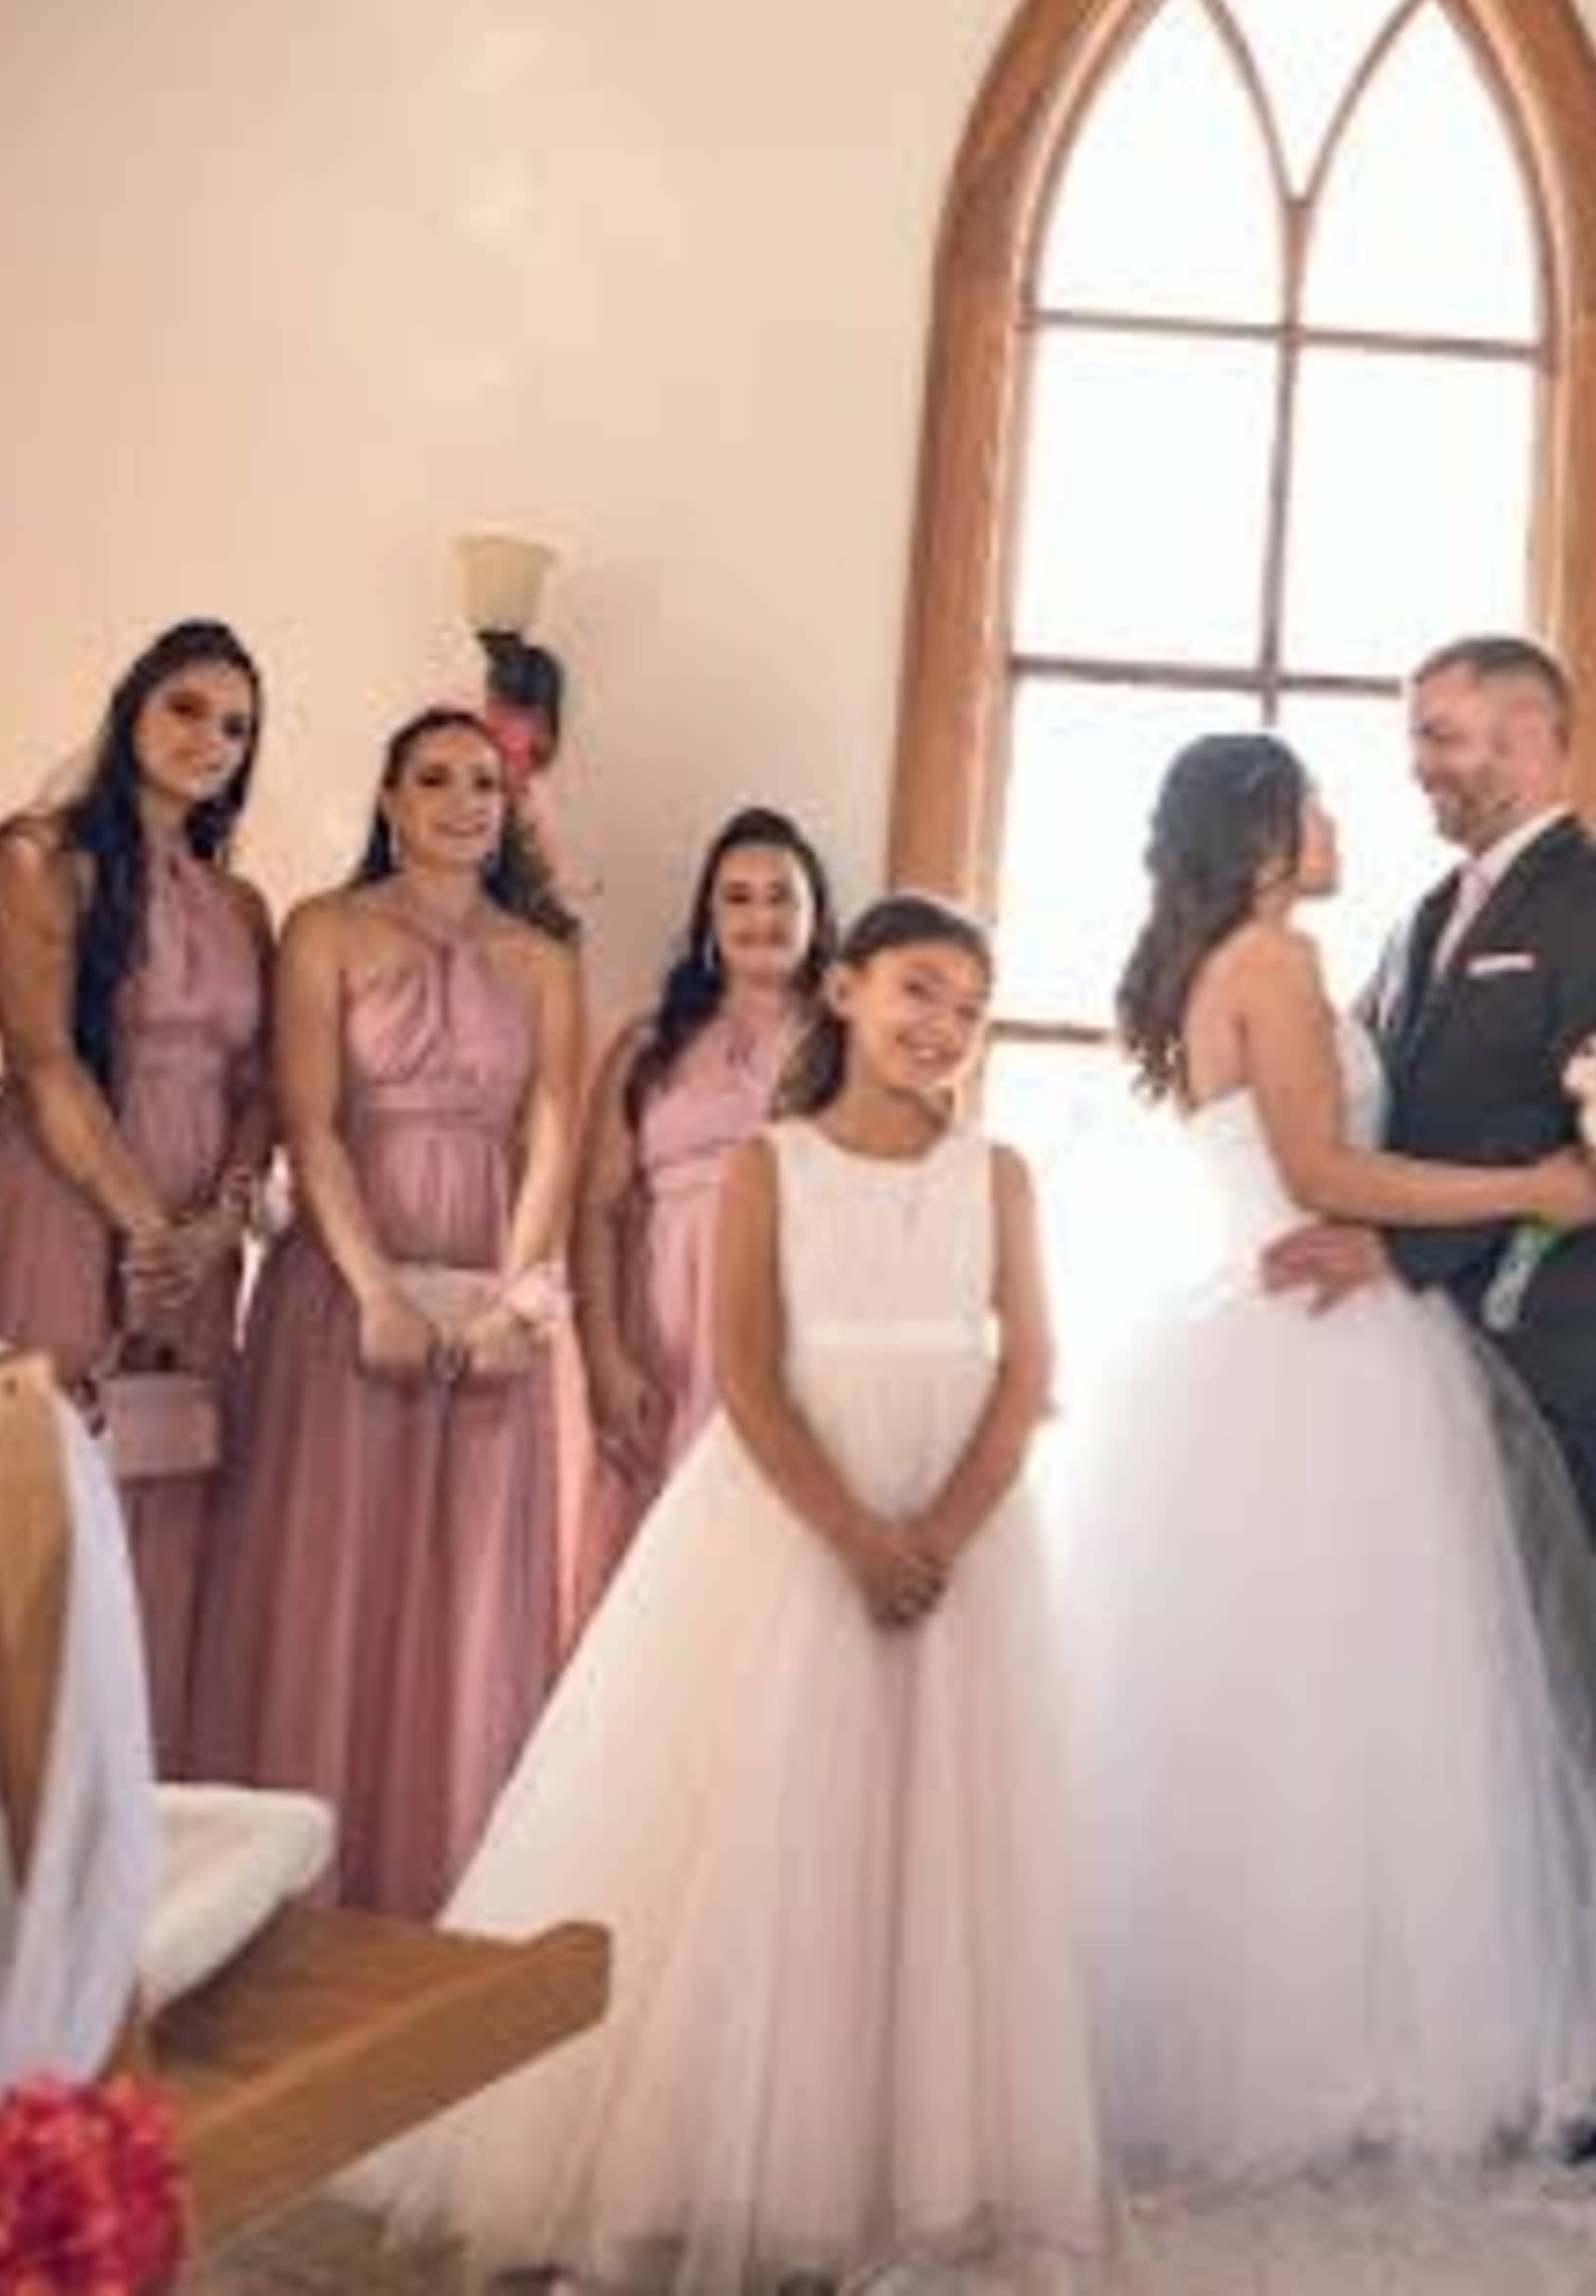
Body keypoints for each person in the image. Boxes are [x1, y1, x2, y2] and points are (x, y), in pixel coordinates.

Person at [374, 894, 1105, 2288]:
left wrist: (938, 1532)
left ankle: (905, 2150)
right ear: (847, 988)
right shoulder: (774, 1164)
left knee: (935, 1844)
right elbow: (750, 1376)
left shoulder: (999, 1173)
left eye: (967, 1006)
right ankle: (718, 2146)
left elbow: (1028, 1373)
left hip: (961, 1524)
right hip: (790, 1520)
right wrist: (854, 1535)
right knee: (767, 1831)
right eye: (918, 990)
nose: (941, 1026)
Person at [1061, 731, 1596, 2187]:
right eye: (1310, 802)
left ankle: (1257, 2025)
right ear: (1259, 829)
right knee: (1367, 1703)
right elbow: (1322, 1173)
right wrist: (1539, 1186)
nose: (1335, 819)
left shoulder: (1225, 963)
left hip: (1273, 1332)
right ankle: (1348, 2043)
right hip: (1331, 1353)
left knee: (1280, 1712)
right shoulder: (1273, 963)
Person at [1262, 633, 1596, 2148]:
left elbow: (1586, 1143)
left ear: (1533, 733)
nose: (1423, 764)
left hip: (1540, 1345)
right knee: (1450, 1697)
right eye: (1420, 736)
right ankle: (1475, 2014)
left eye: (1445, 735)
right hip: (1415, 1364)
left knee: (1555, 1688)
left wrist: (1397, 1244)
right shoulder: (1419, 916)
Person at [189, 707, 584, 1917]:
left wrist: (521, 1296)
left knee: (465, 1592)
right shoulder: (326, 929)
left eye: (484, 782)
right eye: (434, 778)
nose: (463, 801)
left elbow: (556, 1123)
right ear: (391, 798)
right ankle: (292, 1894)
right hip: (342, 1287)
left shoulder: (545, 957)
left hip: (486, 1286)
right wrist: (372, 1289)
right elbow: (306, 1120)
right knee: (327, 1579)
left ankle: (443, 1891)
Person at [0, 620, 274, 1749]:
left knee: (163, 1473)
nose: (211, 738)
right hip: (59, 1190)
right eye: (187, 707)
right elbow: (43, 1058)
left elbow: (261, 1084)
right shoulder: (36, 855)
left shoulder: (241, 907)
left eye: (236, 725)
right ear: (132, 705)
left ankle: (127, 1818)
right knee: (39, 1495)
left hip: (196, 1223)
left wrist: (223, 1214)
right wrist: (150, 1232)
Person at [567, 806, 828, 1626]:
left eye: (781, 897)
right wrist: (606, 1358)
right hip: (667, 1330)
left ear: (816, 915)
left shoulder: (847, 1044)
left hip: (796, 1319)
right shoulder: (651, 1043)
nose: (761, 917)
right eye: (738, 899)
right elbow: (597, 1210)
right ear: (708, 922)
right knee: (658, 1575)